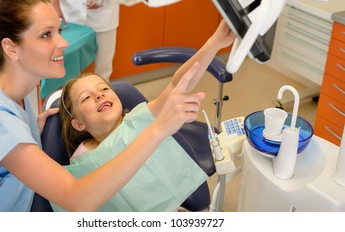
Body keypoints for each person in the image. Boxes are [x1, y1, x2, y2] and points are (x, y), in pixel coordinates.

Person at [0, 0, 211, 212]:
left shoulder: (13, 93)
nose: (63, 43)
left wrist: (28, 132)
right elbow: (78, 198)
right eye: (46, 35)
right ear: (11, 48)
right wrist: (157, 130)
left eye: (59, 31)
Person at [56, 20, 235, 211]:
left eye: (104, 88)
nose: (99, 94)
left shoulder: (137, 120)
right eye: (86, 98)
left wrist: (214, 42)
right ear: (78, 124)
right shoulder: (83, 161)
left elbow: (176, 85)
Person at [43, 0, 119, 81]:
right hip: (68, 8)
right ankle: (70, 100)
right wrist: (55, 4)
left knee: (103, 68)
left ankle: (102, 99)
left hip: (104, 10)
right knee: (67, 69)